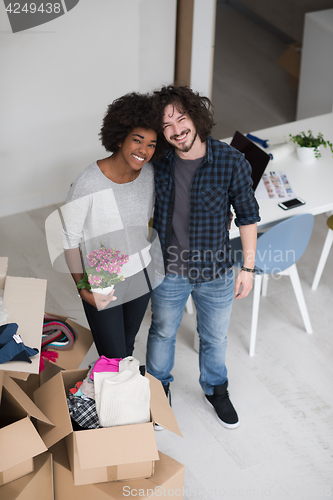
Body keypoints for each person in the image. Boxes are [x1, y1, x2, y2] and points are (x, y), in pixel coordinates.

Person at [146, 85, 260, 429]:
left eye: (181, 118)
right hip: (168, 269)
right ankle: (157, 389)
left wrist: (248, 267)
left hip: (217, 271)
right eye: (167, 124)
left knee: (215, 336)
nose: (176, 129)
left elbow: (247, 216)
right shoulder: (159, 161)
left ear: (196, 117)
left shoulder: (230, 161)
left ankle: (215, 389)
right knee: (163, 331)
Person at [61, 93, 163, 359]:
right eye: (137, 141)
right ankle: (101, 397)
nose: (144, 151)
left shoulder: (150, 175)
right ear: (119, 138)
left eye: (151, 144)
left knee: (127, 348)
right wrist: (83, 289)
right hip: (103, 279)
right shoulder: (88, 183)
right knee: (112, 355)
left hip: (141, 273)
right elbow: (70, 239)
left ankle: (112, 397)